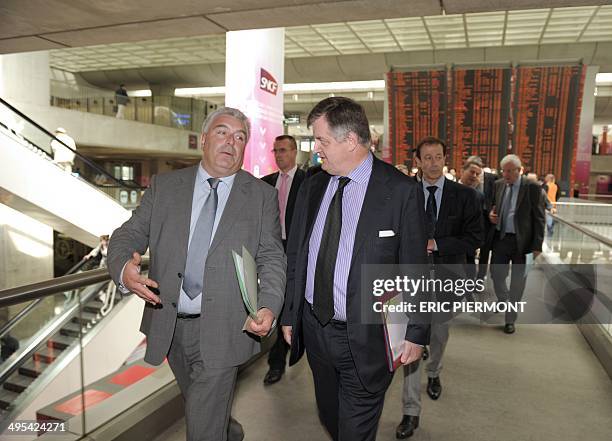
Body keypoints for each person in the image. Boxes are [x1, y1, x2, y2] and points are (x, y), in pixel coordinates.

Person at [107, 107, 286, 441]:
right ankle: (228, 432)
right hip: (170, 324)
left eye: (240, 137)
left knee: (202, 424)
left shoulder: (261, 195)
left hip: (226, 326)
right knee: (203, 405)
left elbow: (272, 257)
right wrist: (122, 268)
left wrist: (269, 305)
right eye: (222, 132)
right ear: (203, 139)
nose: (231, 142)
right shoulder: (165, 187)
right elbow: (129, 234)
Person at [281, 97, 429, 441]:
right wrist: (290, 313)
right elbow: (297, 254)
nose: (315, 149)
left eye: (322, 141)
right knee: (330, 415)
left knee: (355, 430)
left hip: (367, 337)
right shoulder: (313, 185)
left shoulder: (401, 191)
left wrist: (416, 332)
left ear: (350, 141)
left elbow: (416, 268)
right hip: (315, 330)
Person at [397, 137, 482, 440]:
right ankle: (410, 410)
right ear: (417, 161)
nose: (432, 163)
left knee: (439, 334)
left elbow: (474, 238)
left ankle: (434, 372)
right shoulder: (404, 193)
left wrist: (436, 243)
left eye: (438, 157)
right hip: (411, 279)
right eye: (426, 158)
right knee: (412, 340)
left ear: (446, 158)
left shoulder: (465, 196)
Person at [260, 135, 306, 385]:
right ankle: (276, 362)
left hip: (297, 250)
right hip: (271, 250)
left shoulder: (309, 182)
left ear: (295, 152)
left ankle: (291, 352)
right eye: (276, 150)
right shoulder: (266, 184)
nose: (279, 155)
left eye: (284, 150)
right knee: (274, 303)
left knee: (292, 304)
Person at [489, 154, 545, 334]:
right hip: (501, 238)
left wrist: (537, 245)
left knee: (518, 282)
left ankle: (510, 319)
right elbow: (493, 207)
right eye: (503, 171)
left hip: (524, 243)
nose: (506, 175)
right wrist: (491, 216)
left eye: (510, 171)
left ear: (519, 171)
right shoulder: (498, 185)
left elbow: (539, 218)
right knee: (496, 274)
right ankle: (504, 299)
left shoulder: (532, 188)